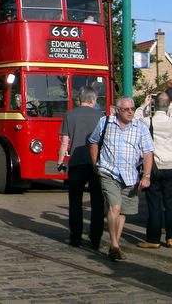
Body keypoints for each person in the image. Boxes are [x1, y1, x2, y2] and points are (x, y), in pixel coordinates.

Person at [89, 96, 155, 261]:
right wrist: (95, 164)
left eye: (132, 109)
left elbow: (148, 152)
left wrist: (146, 175)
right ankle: (114, 244)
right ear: (117, 110)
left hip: (130, 176)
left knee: (123, 212)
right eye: (126, 109)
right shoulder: (105, 122)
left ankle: (115, 244)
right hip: (108, 172)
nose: (130, 112)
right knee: (115, 207)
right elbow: (93, 141)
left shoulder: (140, 127)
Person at [57, 86, 104, 249]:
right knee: (97, 202)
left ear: (80, 99)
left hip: (76, 163)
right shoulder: (101, 116)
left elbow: (65, 142)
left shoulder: (69, 115)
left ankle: (75, 237)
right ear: (93, 100)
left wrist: (60, 161)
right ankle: (95, 239)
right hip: (96, 163)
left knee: (75, 202)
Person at [135, 93, 172, 248]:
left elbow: (135, 118)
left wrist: (144, 105)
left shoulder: (147, 121)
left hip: (154, 167)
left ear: (154, 105)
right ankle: (171, 237)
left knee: (154, 203)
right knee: (171, 202)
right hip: (171, 166)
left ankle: (153, 239)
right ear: (169, 105)